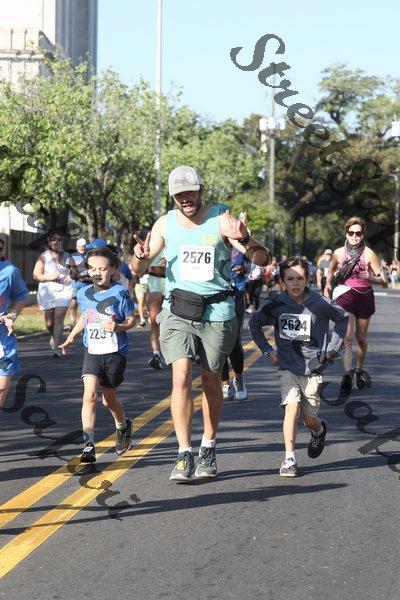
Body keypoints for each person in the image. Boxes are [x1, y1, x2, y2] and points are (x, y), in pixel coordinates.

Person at [131, 165, 270, 481]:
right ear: (173, 197)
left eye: (190, 192)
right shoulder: (165, 223)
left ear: (200, 191)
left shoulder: (221, 218)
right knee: (180, 377)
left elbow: (263, 259)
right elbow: (138, 268)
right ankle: (184, 453)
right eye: (179, 194)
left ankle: (208, 445)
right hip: (178, 311)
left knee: (210, 381)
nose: (185, 199)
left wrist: (245, 237)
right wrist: (139, 255)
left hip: (217, 313)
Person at [249, 256, 348, 477]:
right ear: (282, 281)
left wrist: (331, 349)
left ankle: (319, 430)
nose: (295, 283)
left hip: (313, 368)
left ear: (308, 279)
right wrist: (268, 350)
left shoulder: (320, 303)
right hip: (287, 366)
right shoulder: (277, 304)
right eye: (290, 279)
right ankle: (289, 459)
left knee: (309, 419)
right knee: (291, 407)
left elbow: (342, 318)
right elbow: (255, 323)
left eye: (300, 279)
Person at [59, 247, 136, 463]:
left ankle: (122, 426)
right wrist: (72, 336)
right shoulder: (83, 293)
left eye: (102, 269)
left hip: (115, 352)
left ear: (113, 269)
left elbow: (132, 320)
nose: (97, 273)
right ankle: (88, 445)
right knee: (89, 395)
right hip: (92, 351)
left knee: (108, 400)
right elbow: (86, 316)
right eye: (92, 269)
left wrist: (119, 327)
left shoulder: (120, 292)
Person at [324, 217, 386, 391]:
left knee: (361, 338)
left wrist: (371, 277)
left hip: (364, 297)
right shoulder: (338, 252)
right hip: (345, 295)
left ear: (363, 234)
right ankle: (347, 375)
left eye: (358, 233)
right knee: (347, 337)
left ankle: (359, 369)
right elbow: (330, 272)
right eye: (351, 233)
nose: (354, 236)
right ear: (346, 233)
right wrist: (328, 284)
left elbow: (384, 280)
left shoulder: (369, 254)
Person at [33, 231, 74, 357]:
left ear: (62, 241)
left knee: (59, 318)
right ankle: (54, 335)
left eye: (59, 239)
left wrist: (71, 275)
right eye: (53, 239)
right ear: (50, 242)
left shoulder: (68, 256)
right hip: (47, 290)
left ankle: (55, 348)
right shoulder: (44, 256)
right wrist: (49, 277)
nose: (56, 241)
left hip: (64, 289)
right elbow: (36, 275)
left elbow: (74, 272)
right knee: (49, 323)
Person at [221, 246, 249, 401]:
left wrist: (243, 269)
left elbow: (252, 266)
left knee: (233, 342)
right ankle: (225, 383)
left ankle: (239, 378)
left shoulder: (239, 246)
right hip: (214, 297)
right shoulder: (207, 239)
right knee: (219, 342)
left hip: (235, 295)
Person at [0, 257, 28, 408]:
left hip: (2, 339)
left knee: (2, 385)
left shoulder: (9, 272)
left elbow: (20, 296)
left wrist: (10, 316)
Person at [147, 252, 166, 369]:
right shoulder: (152, 246)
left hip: (172, 282)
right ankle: (156, 355)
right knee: (154, 320)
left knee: (177, 319)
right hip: (155, 281)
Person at [68, 238, 90, 330]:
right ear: (77, 247)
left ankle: (85, 324)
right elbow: (72, 269)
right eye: (80, 246)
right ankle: (72, 323)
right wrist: (79, 276)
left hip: (88, 282)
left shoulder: (90, 255)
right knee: (73, 303)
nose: (82, 248)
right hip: (76, 282)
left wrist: (86, 277)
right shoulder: (73, 256)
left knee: (86, 304)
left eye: (84, 246)